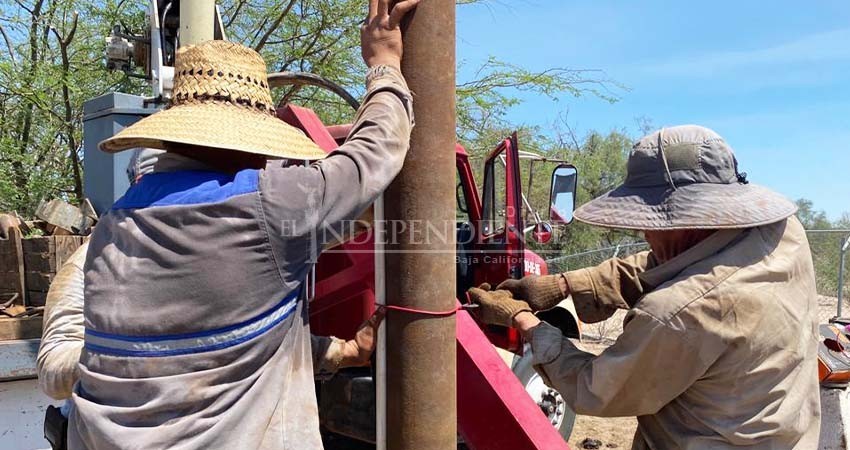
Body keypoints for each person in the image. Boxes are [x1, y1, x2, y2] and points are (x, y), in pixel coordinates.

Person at [69, 0, 419, 447]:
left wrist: (340, 353)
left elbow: (202, 350)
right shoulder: (268, 208)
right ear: (248, 141)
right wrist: (384, 63)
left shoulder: (114, 226)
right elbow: (373, 153)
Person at [469, 125, 820, 449]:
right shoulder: (781, 233)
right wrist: (566, 284)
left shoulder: (680, 313)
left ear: (687, 220)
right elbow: (679, 263)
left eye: (649, 223)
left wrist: (524, 321)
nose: (643, 234)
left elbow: (595, 388)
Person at [37, 150, 384, 403]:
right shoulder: (93, 258)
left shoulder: (232, 239)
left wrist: (344, 352)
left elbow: (247, 343)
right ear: (141, 186)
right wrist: (150, 360)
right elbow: (55, 371)